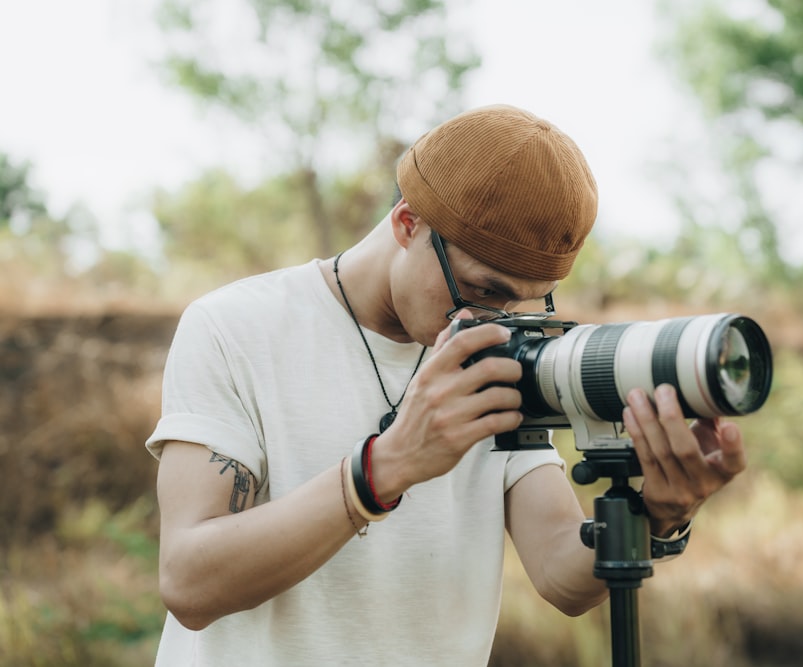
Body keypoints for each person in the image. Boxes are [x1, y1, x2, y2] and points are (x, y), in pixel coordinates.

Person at [146, 104, 747, 665]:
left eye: (525, 304)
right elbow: (190, 583)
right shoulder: (235, 326)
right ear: (408, 223)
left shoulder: (506, 351)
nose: (498, 321)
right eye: (484, 291)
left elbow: (562, 575)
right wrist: (385, 468)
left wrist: (656, 516)